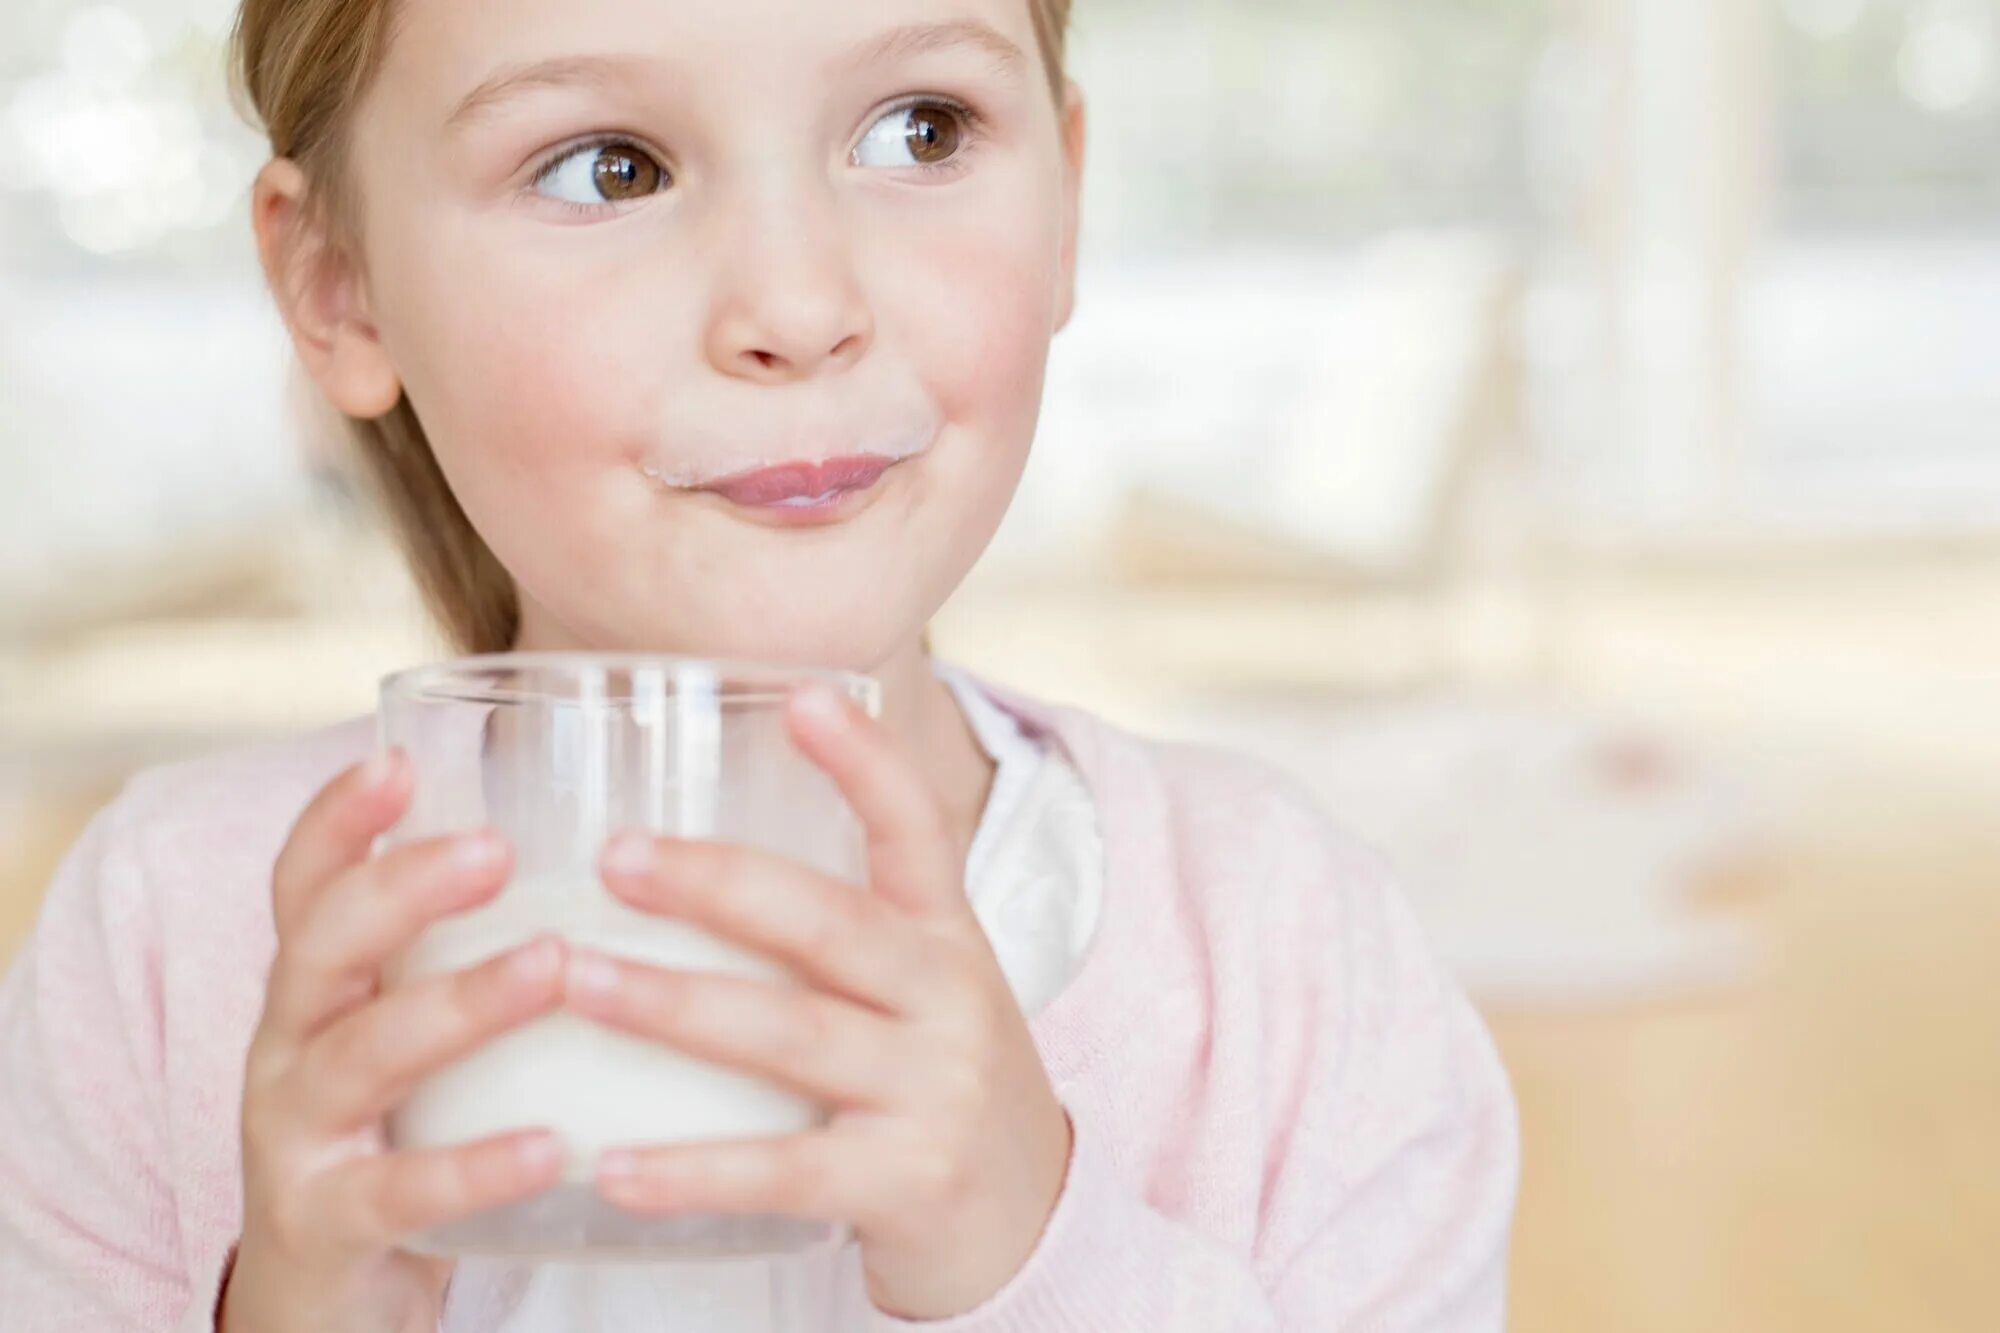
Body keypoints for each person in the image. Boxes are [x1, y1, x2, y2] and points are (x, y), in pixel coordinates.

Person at [0, 1, 1519, 1328]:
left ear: (1065, 209)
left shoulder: (1281, 952)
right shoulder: (160, 940)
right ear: (339, 286)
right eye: (611, 166)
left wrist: (1037, 1254)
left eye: (924, 130)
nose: (799, 309)